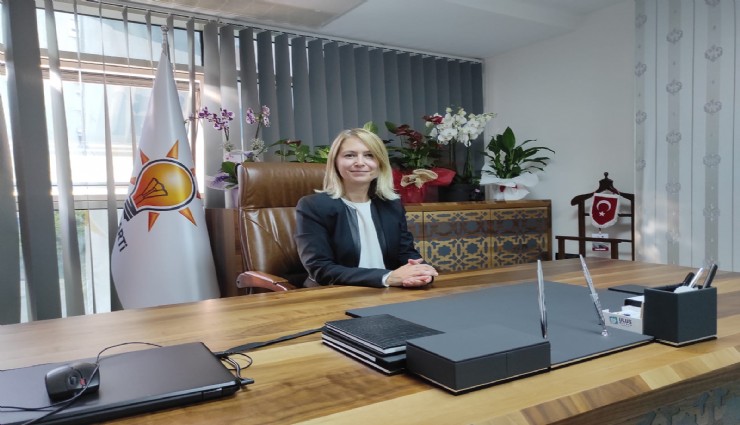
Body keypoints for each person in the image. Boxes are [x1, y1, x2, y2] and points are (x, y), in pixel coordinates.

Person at [295, 128, 438, 288]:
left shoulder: (392, 205)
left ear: (380, 163)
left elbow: (406, 253)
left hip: (388, 293)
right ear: (335, 162)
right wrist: (387, 278)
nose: (360, 162)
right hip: (334, 294)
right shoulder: (313, 206)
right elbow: (320, 268)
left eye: (369, 155)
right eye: (350, 155)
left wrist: (421, 272)